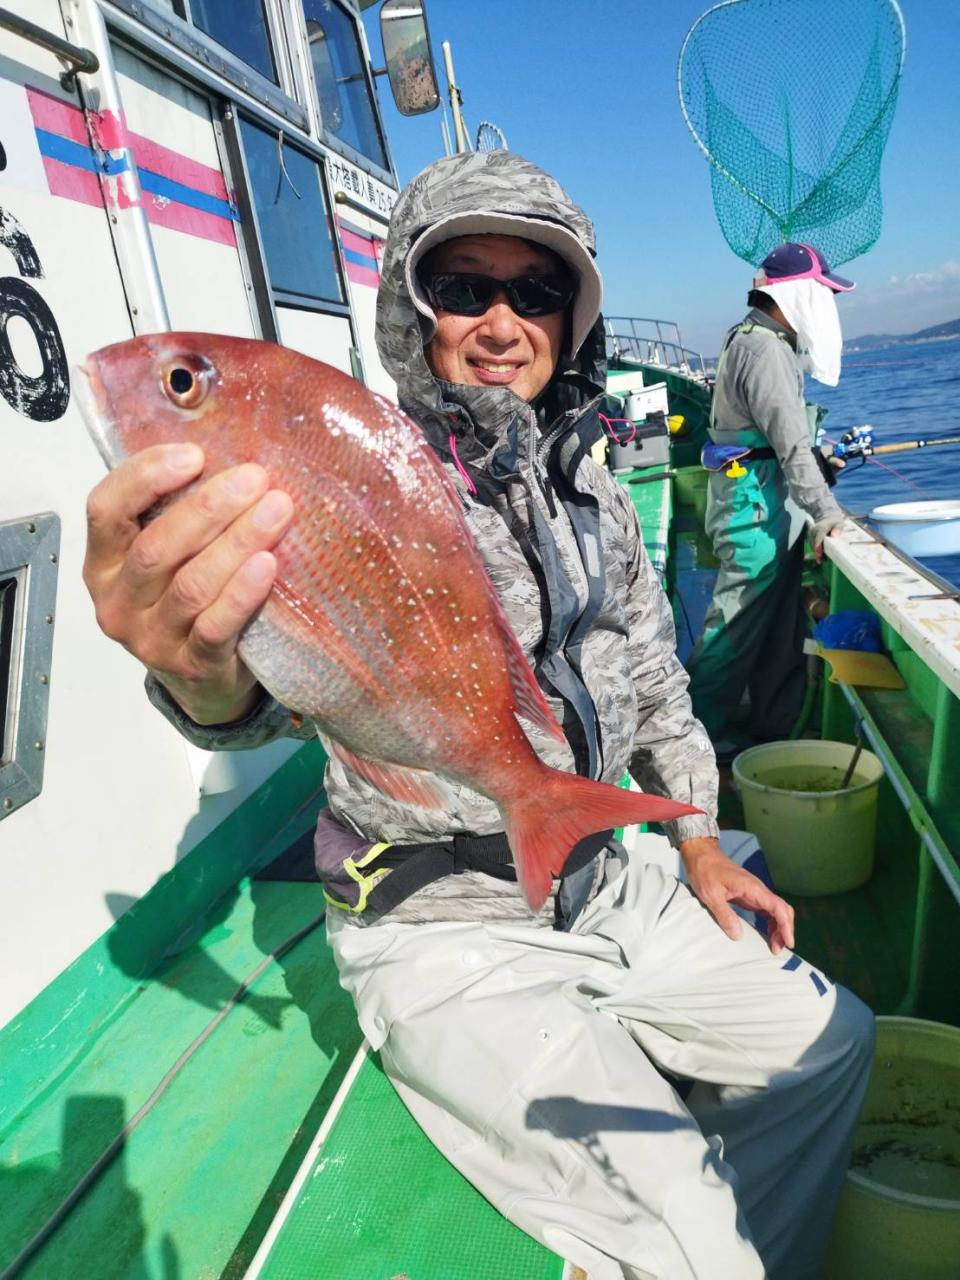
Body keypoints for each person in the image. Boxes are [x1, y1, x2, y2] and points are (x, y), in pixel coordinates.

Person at [83, 153, 873, 1280]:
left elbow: (657, 678)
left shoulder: (596, 484)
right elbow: (263, 692)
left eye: (536, 291)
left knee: (833, 1046)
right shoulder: (359, 474)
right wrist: (203, 679)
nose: (502, 322)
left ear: (571, 318)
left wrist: (698, 837)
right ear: (417, 313)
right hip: (440, 917)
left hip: (607, 869)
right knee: (695, 1245)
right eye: (463, 289)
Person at [685, 243, 853, 751]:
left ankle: (776, 729)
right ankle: (690, 743)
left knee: (780, 627)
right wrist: (827, 512)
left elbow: (774, 437)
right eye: (824, 294)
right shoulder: (766, 351)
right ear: (799, 295)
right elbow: (790, 445)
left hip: (762, 503)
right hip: (757, 512)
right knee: (733, 628)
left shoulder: (751, 338)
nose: (829, 305)